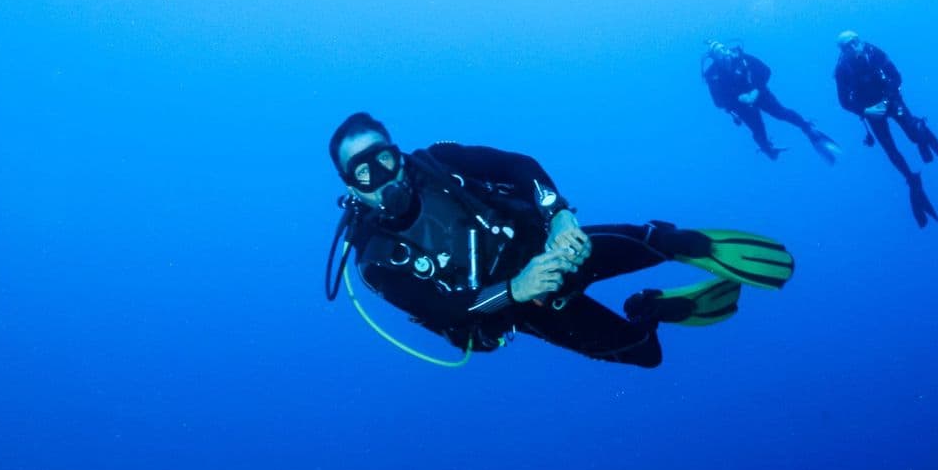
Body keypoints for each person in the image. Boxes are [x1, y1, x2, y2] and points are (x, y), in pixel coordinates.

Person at [325, 113, 794, 368]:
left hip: (554, 248)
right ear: (350, 186)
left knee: (673, 242)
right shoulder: (375, 259)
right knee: (645, 354)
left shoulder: (438, 162)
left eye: (383, 159)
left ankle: (671, 242)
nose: (379, 178)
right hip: (525, 306)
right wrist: (516, 290)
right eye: (362, 172)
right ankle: (648, 308)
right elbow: (443, 311)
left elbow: (517, 165)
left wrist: (558, 215)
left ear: (398, 153)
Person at [833, 31, 938, 227]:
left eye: (854, 42)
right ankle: (911, 180)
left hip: (890, 100)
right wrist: (866, 110)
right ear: (842, 51)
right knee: (890, 150)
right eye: (846, 47)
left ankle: (921, 129)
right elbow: (843, 102)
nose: (852, 48)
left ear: (859, 40)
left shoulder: (874, 52)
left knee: (912, 135)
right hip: (871, 111)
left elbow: (896, 77)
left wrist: (886, 100)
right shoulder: (842, 69)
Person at [701, 41, 839, 163]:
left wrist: (756, 90)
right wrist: (737, 100)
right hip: (740, 105)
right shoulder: (713, 75)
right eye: (719, 53)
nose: (724, 53)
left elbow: (766, 71)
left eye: (723, 49)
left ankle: (808, 129)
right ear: (714, 58)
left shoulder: (742, 58)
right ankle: (769, 150)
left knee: (781, 113)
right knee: (758, 129)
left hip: (759, 92)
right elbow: (718, 102)